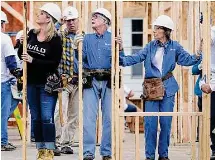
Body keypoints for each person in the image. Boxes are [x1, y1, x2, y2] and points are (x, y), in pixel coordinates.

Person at [119, 15, 202, 160]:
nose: (154, 31)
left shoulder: (175, 47)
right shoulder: (150, 46)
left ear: (165, 31)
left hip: (168, 88)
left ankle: (163, 155)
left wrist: (199, 53)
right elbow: (134, 58)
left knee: (165, 122)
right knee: (150, 124)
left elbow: (187, 60)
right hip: (151, 89)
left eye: (157, 28)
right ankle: (149, 156)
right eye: (155, 28)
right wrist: (120, 51)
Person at [75, 8, 124, 160]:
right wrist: (77, 49)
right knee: (89, 117)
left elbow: (121, 61)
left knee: (109, 117)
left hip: (109, 80)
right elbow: (80, 62)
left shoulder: (113, 39)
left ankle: (106, 152)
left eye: (96, 17)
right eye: (92, 17)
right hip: (91, 79)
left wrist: (120, 49)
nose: (93, 19)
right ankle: (88, 153)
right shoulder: (87, 39)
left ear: (105, 21)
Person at [17, 3, 62, 160]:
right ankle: (40, 149)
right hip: (31, 82)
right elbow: (21, 55)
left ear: (48, 18)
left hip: (46, 84)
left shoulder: (55, 39)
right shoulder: (31, 34)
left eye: (41, 13)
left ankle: (49, 150)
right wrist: (21, 43)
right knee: (35, 117)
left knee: (46, 117)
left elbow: (54, 63)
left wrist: (33, 60)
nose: (38, 15)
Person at [53, 6, 80, 156]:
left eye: (73, 20)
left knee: (74, 115)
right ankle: (55, 142)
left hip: (78, 82)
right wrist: (59, 23)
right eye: (68, 21)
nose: (71, 23)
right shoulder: (60, 36)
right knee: (59, 113)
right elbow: (49, 36)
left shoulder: (82, 38)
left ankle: (66, 143)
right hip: (63, 82)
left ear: (78, 20)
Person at [1, 10, 21, 151]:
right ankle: (2, 141)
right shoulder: (4, 39)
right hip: (3, 82)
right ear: (2, 24)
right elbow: (10, 61)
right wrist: (19, 75)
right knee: (3, 113)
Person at [199, 26, 215, 160]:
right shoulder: (210, 32)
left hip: (212, 86)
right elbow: (203, 70)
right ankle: (214, 149)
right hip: (210, 86)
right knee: (211, 121)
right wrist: (202, 84)